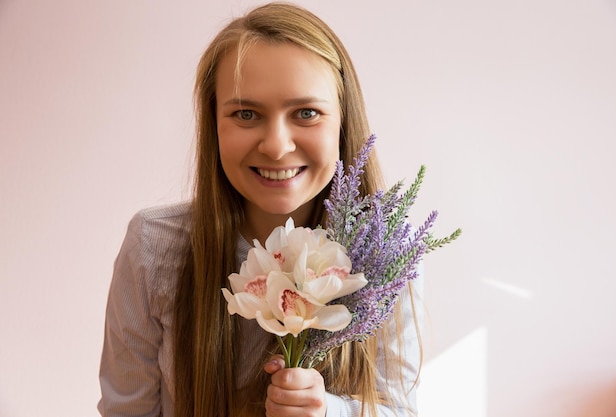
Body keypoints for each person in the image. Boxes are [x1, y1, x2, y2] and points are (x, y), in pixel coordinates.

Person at [98, 2, 422, 417]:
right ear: (213, 123)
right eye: (246, 113)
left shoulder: (386, 251)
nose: (276, 145)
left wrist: (327, 411)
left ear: (343, 122)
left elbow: (399, 408)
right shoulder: (154, 245)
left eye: (306, 113)